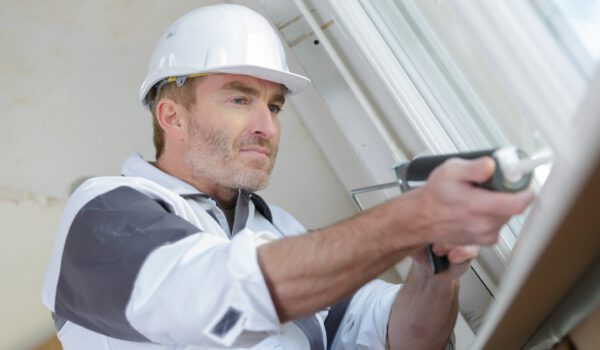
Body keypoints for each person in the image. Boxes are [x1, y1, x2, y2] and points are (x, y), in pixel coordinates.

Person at [41, 4, 534, 350]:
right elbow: (218, 290)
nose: (267, 126)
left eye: (274, 105)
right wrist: (413, 218)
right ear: (172, 117)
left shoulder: (280, 232)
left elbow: (395, 336)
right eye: (239, 99)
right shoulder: (105, 212)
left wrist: (434, 275)